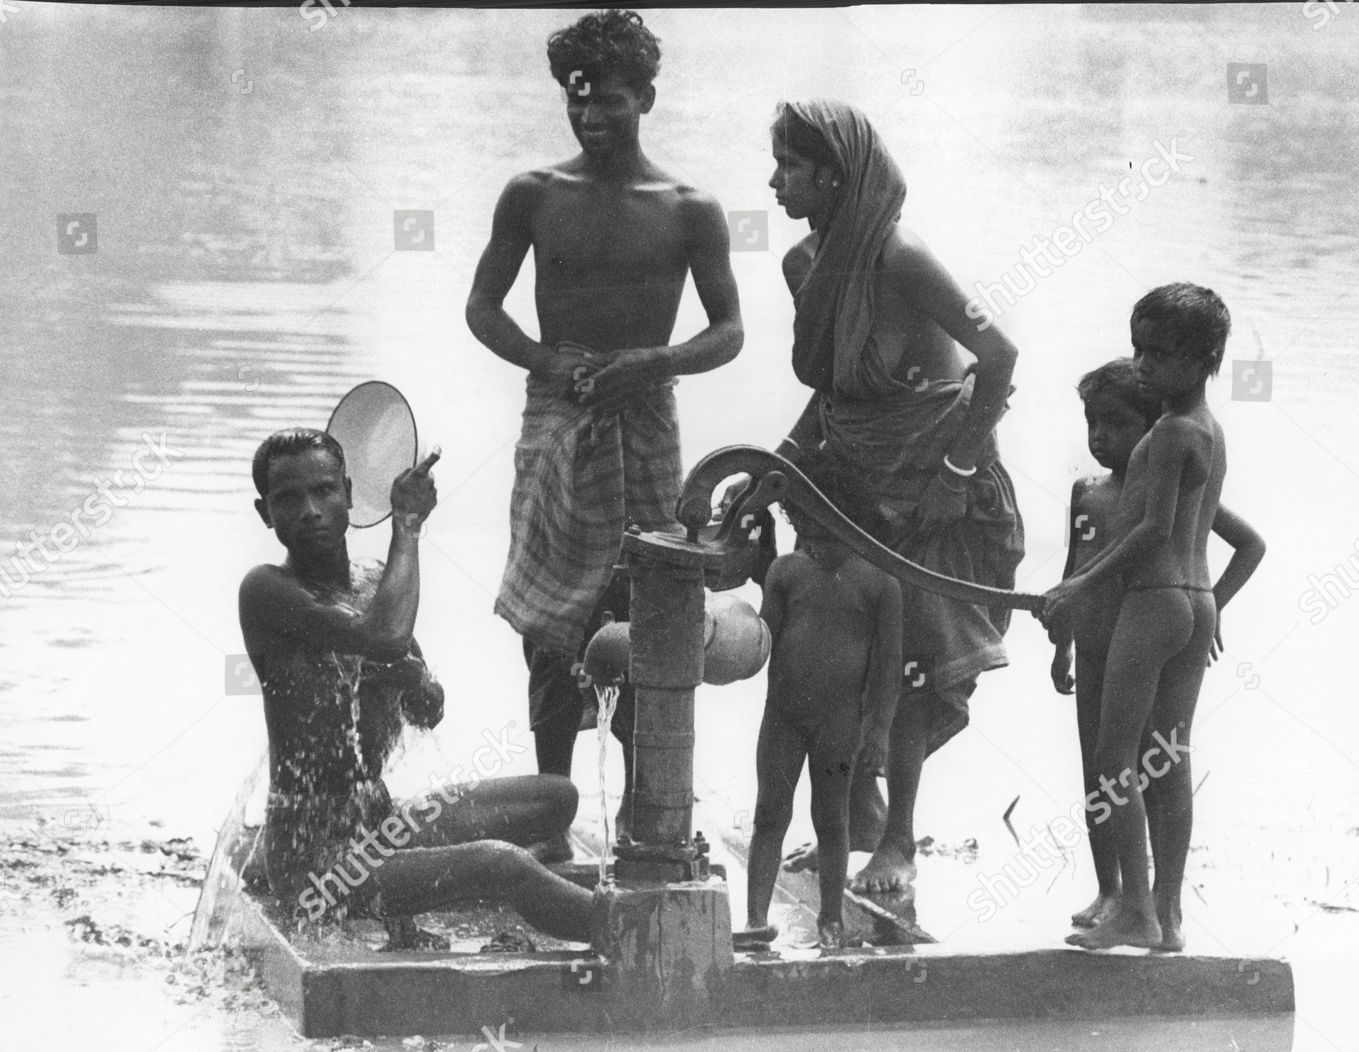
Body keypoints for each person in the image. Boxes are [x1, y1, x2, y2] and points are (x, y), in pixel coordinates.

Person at [465, 9, 743, 848]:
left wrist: (654, 362)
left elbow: (728, 331)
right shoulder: (534, 194)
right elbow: (483, 308)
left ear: (646, 98)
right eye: (577, 99)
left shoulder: (689, 207)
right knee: (552, 622)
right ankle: (551, 818)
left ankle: (645, 816)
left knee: (645, 611)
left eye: (610, 101)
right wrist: (549, 364)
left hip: (647, 418)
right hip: (558, 416)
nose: (591, 116)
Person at [766, 100, 1025, 893]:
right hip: (853, 479)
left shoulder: (902, 257)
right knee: (845, 651)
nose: (774, 182)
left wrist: (956, 470)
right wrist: (774, 464)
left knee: (915, 665)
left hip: (938, 482)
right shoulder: (804, 266)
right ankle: (858, 820)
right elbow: (835, 392)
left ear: (835, 174)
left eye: (789, 167)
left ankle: (899, 844)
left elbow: (1000, 353)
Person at [239, 429, 593, 947]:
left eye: (324, 491)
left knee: (555, 798)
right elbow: (382, 638)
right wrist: (406, 526)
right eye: (288, 499)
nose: (310, 510)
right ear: (265, 514)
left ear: (350, 495)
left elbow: (430, 711)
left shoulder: (376, 583)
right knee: (501, 864)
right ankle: (635, 931)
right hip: (316, 861)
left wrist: (412, 678)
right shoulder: (267, 590)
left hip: (377, 821)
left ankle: (468, 881)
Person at [1043, 284, 1264, 952]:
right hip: (1193, 601)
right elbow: (1226, 538)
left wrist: (1079, 582)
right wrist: (1210, 604)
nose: (1143, 364)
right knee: (1168, 761)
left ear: (1205, 359)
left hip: (1153, 599)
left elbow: (1150, 530)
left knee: (1116, 760)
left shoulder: (1168, 434)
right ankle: (1167, 915)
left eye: (1161, 354)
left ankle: (1134, 909)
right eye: (1138, 347)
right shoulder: (1210, 430)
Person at [740, 449, 903, 950]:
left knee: (832, 821)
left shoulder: (881, 582)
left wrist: (877, 731)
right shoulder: (786, 572)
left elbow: (888, 668)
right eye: (805, 527)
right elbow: (760, 641)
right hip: (783, 717)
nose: (815, 540)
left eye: (827, 528)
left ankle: (830, 918)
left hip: (840, 722)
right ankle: (754, 920)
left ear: (852, 521)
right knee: (770, 812)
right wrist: (724, 636)